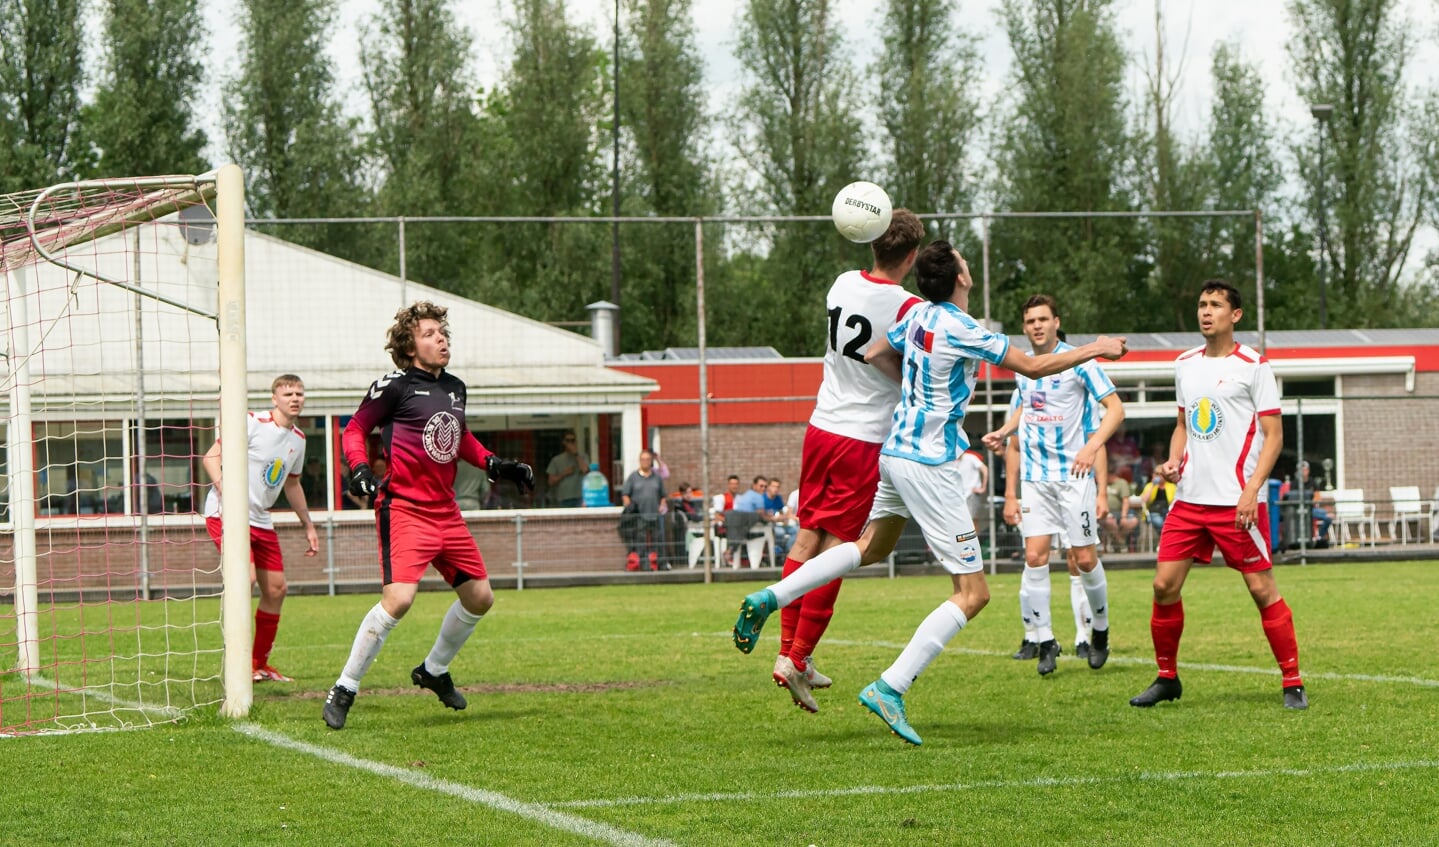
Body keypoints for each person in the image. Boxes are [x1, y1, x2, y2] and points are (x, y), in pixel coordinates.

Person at [732, 241, 1127, 743]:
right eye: (963, 260)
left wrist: (919, 399)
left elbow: (876, 352)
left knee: (867, 548)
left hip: (894, 452)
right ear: (960, 277)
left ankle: (771, 596)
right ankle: (890, 688)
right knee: (974, 593)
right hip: (930, 465)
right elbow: (1031, 366)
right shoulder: (966, 328)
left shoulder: (917, 316)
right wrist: (1097, 347)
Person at [735, 210, 926, 713]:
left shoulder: (841, 284)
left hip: (821, 427)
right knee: (843, 549)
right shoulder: (910, 307)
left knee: (806, 539)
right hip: (862, 438)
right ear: (910, 257)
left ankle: (788, 654)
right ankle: (798, 657)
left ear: (870, 245)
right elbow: (912, 369)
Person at [322, 301, 533, 730]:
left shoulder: (455, 386)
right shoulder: (394, 386)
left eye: (443, 333)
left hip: (446, 513)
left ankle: (433, 671)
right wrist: (360, 467)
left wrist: (495, 464)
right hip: (404, 509)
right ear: (409, 345)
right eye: (430, 333)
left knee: (480, 598)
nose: (441, 339)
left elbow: (459, 436)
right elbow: (355, 429)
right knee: (399, 599)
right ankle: (344, 686)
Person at [1129, 280, 1306, 711]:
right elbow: (1183, 426)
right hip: (1189, 500)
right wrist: (1174, 462)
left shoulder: (1254, 365)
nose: (1206, 312)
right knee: (1163, 586)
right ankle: (1167, 678)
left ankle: (1292, 682)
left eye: (1215, 305)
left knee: (1262, 589)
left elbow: (1274, 437)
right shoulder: (1185, 364)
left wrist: (1251, 489)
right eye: (1202, 304)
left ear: (1235, 315)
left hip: (1237, 502)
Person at [984, 294, 1125, 675]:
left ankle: (1100, 629)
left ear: (1056, 322)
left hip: (1073, 478)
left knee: (1083, 558)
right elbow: (1028, 406)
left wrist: (1092, 446)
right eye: (1030, 321)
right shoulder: (1023, 367)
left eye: (1043, 319)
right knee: (1034, 557)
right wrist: (1005, 430)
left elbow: (1116, 409)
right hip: (1035, 479)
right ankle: (1045, 639)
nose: (1037, 326)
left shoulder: (1080, 362)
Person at [201, 374, 320, 683]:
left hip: (261, 518)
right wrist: (227, 491)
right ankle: (236, 664)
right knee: (247, 578)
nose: (295, 398)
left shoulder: (298, 439)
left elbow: (292, 485)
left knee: (277, 589)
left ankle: (257, 663)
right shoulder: (252, 422)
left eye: (299, 393)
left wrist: (307, 525)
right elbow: (211, 457)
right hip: (225, 514)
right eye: (288, 393)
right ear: (274, 398)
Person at [621, 449, 668, 572]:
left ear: (651, 461)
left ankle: (661, 564)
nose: (645, 462)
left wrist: (661, 505)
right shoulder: (633, 477)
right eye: (643, 459)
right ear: (639, 461)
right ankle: (644, 564)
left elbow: (663, 495)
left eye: (648, 459)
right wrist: (629, 507)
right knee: (641, 541)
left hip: (655, 514)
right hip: (639, 515)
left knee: (658, 540)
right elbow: (625, 494)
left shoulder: (657, 478)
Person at [1101, 464, 1140, 553]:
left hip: (1120, 512)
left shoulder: (1121, 483)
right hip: (1105, 513)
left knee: (1133, 521)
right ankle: (1121, 542)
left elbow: (1126, 501)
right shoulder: (1102, 483)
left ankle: (1117, 541)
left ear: (1111, 475)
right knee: (1110, 522)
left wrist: (1123, 516)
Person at [546, 431, 588, 507]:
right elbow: (550, 482)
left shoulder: (583, 457)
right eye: (568, 440)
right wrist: (564, 473)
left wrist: (575, 454)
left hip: (580, 498)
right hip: (563, 498)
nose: (570, 443)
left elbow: (585, 470)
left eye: (573, 440)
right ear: (563, 442)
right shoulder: (556, 460)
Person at [1139, 468, 1176, 538]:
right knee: (1160, 522)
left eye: (1161, 474)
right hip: (1153, 512)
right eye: (1156, 474)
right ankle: (1163, 540)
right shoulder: (1150, 486)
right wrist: (1153, 486)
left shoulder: (1172, 486)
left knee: (1171, 523)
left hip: (1168, 512)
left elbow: (1174, 502)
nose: (1158, 476)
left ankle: (1163, 541)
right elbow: (1143, 500)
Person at [764, 478, 794, 560]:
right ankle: (778, 554)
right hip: (768, 526)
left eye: (778, 487)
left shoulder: (778, 498)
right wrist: (772, 518)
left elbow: (782, 513)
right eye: (774, 486)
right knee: (780, 532)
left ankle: (789, 553)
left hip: (778, 524)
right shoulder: (762, 498)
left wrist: (783, 518)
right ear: (768, 487)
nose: (776, 489)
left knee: (796, 530)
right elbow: (763, 516)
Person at [955, 447, 988, 524]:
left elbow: (985, 469)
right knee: (960, 521)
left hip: (972, 494)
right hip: (958, 495)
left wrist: (983, 487)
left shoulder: (970, 457)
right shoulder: (952, 461)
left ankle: (975, 536)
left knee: (972, 520)